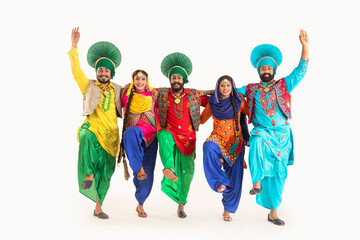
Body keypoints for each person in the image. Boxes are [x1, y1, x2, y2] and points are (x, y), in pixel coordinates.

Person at [237, 29, 309, 225]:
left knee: (280, 174)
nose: (266, 71)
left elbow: (301, 70)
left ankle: (273, 213)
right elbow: (228, 90)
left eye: (269, 68)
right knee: (257, 140)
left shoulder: (285, 85)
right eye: (263, 69)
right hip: (263, 132)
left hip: (283, 136)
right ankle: (256, 182)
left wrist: (305, 48)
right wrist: (209, 91)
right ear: (258, 71)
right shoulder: (251, 88)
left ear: (274, 70)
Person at [68, 27, 123, 219]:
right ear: (97, 71)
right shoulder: (89, 85)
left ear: (112, 72)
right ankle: (88, 173)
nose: (103, 72)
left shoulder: (118, 89)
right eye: (100, 69)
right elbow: (77, 73)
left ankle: (98, 207)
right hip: (94, 128)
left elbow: (139, 89)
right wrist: (74, 47)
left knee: (106, 174)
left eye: (107, 70)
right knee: (85, 134)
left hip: (111, 136)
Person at [154, 52, 209, 218]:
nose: (176, 80)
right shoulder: (162, 94)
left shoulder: (193, 94)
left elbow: (214, 101)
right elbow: (143, 89)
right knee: (163, 135)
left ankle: (181, 206)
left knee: (187, 174)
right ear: (170, 79)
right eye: (173, 77)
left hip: (188, 141)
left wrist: (215, 91)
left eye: (179, 77)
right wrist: (129, 86)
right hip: (171, 134)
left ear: (184, 79)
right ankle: (168, 167)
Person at [201, 75, 249, 222]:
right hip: (218, 139)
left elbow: (254, 112)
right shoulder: (212, 103)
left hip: (235, 144)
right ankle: (219, 181)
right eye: (222, 85)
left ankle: (227, 209)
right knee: (208, 147)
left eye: (228, 85)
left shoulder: (238, 102)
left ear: (232, 87)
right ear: (218, 87)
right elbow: (201, 120)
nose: (225, 88)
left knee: (235, 179)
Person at [118, 69, 158, 218]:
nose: (140, 82)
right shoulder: (126, 95)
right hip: (134, 138)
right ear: (132, 80)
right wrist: (125, 86)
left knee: (147, 175)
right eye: (137, 79)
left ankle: (140, 203)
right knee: (132, 131)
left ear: (147, 81)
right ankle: (138, 167)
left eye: (143, 79)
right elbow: (117, 93)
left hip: (151, 138)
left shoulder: (154, 95)